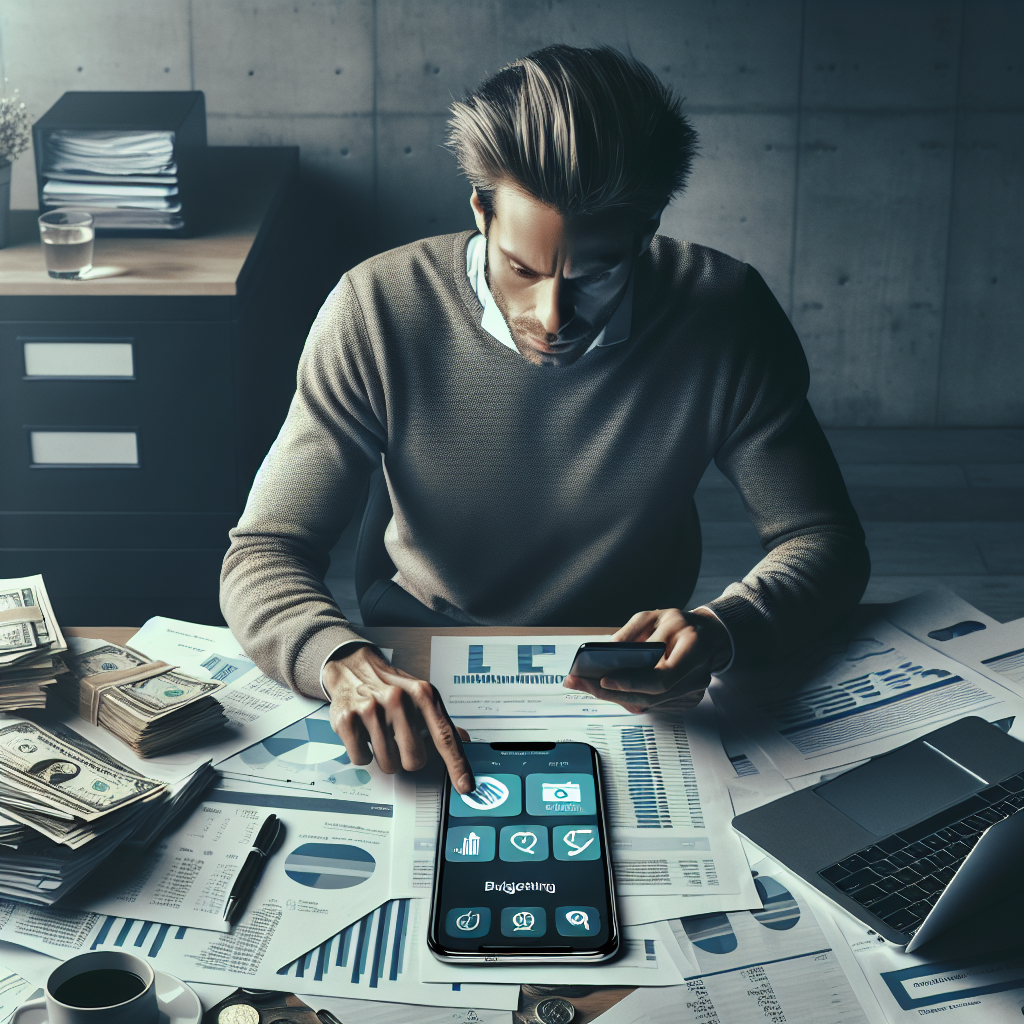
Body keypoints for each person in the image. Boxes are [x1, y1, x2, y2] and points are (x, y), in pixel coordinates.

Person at [220, 45, 869, 796]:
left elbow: (822, 539)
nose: (553, 317)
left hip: (631, 671)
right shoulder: (376, 308)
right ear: (480, 212)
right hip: (422, 651)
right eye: (521, 269)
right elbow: (265, 548)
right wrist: (340, 661)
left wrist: (726, 627)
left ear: (647, 230)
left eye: (595, 275)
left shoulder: (726, 313)